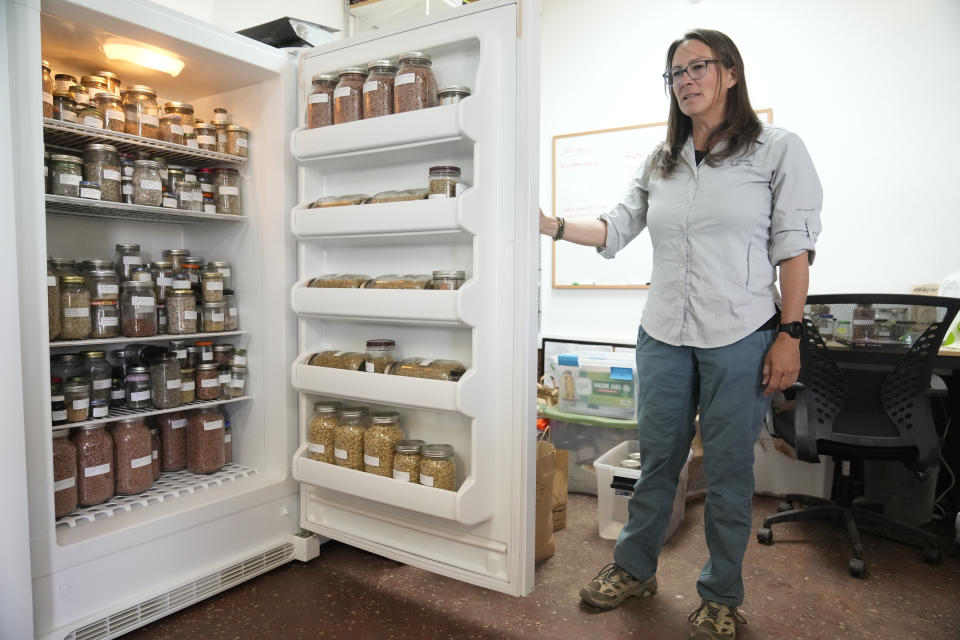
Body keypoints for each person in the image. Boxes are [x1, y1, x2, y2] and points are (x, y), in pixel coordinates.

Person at [539, 29, 822, 640]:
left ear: (730, 73)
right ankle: (634, 568)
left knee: (726, 472)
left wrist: (790, 335)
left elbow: (794, 250)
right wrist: (552, 225)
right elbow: (616, 229)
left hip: (742, 332)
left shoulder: (775, 150)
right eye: (675, 73)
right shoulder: (660, 161)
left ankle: (721, 594)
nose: (685, 80)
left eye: (698, 67)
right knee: (657, 460)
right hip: (664, 331)